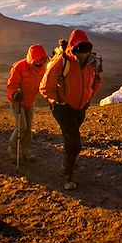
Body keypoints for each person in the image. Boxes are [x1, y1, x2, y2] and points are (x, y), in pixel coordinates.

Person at [40, 29, 102, 190]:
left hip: (80, 107)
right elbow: (45, 87)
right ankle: (67, 175)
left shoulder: (92, 63)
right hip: (63, 108)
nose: (82, 55)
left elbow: (96, 81)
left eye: (85, 51)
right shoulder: (61, 62)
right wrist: (56, 101)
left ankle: (70, 163)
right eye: (79, 51)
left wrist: (88, 98)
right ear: (72, 48)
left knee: (71, 139)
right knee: (74, 142)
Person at [6, 44, 49, 163]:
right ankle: (12, 148)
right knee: (22, 126)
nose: (40, 63)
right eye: (37, 61)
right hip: (17, 101)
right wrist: (14, 94)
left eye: (42, 60)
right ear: (31, 59)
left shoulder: (43, 69)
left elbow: (44, 85)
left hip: (29, 101)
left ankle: (26, 151)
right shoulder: (19, 67)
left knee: (28, 128)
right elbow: (11, 85)